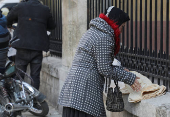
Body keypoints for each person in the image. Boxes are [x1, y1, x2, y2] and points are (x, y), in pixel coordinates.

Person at [59, 6, 142, 117]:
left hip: (74, 91)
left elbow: (99, 62)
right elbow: (105, 69)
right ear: (116, 23)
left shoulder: (93, 31)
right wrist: (129, 78)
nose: (122, 30)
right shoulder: (104, 36)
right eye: (122, 26)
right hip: (85, 92)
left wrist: (122, 70)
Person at [7, 0, 56, 90]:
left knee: (20, 76)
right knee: (35, 76)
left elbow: (8, 18)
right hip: (37, 48)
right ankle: (34, 100)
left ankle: (19, 99)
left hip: (22, 46)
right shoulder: (45, 9)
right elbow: (52, 25)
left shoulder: (20, 6)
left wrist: (13, 24)